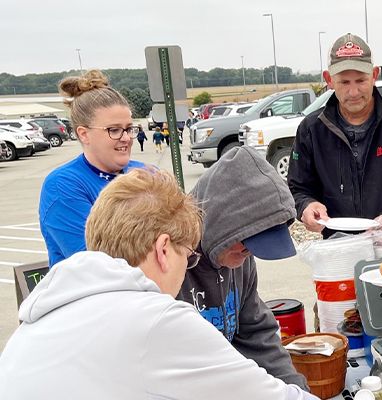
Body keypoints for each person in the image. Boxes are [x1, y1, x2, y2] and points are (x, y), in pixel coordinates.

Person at [0, 169, 317, 400]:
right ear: (164, 250)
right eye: (187, 257)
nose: (188, 265)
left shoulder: (45, 313)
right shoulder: (154, 321)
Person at [178, 146, 308, 389]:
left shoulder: (239, 258)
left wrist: (297, 392)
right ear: (218, 224)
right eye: (246, 242)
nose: (248, 253)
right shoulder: (172, 267)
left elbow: (257, 333)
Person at [287, 32, 382, 238]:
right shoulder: (311, 129)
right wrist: (307, 205)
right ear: (329, 79)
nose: (354, 92)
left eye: (361, 80)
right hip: (338, 248)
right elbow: (297, 187)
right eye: (344, 82)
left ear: (375, 75)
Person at [39, 69, 146, 267]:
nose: (126, 138)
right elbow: (95, 263)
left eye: (129, 128)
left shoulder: (146, 172)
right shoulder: (63, 185)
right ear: (84, 134)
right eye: (114, 130)